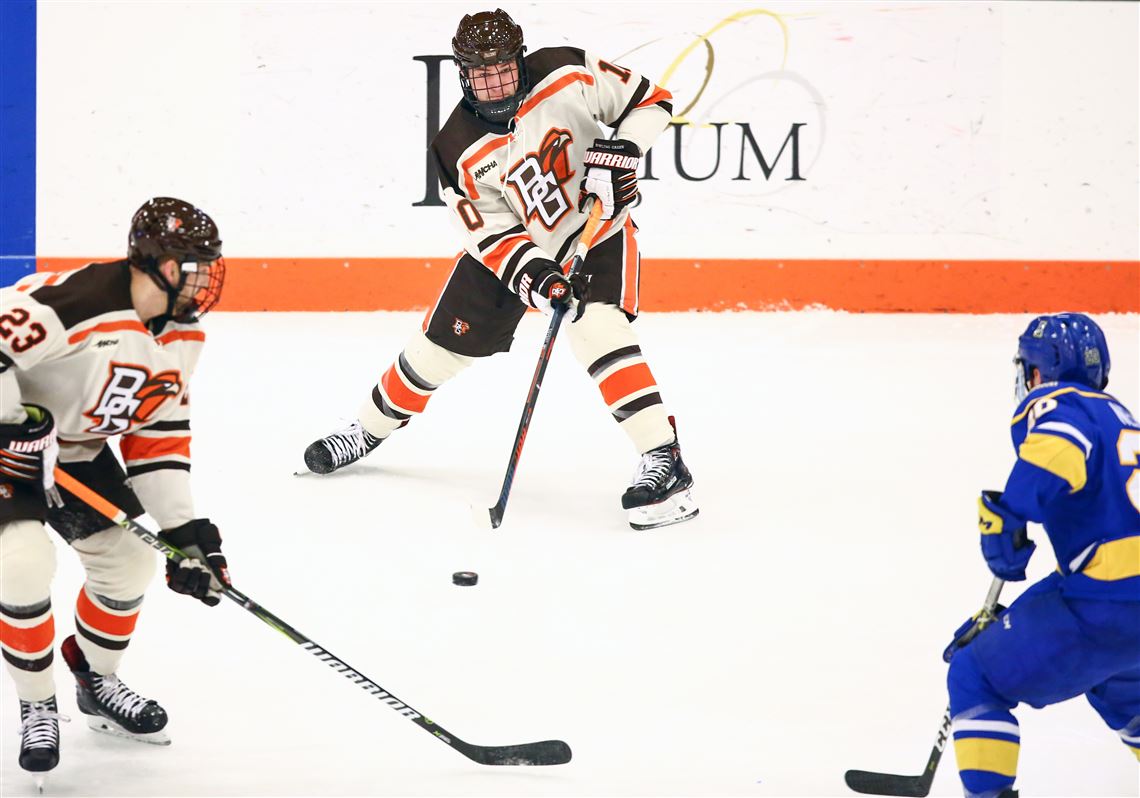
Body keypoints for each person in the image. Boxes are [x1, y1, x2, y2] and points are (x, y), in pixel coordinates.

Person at [304, 8, 697, 530]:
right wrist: (535, 273)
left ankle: (665, 460)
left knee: (597, 329)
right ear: (463, 73)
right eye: (480, 73)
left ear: (520, 59)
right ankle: (368, 429)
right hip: (515, 253)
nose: (495, 82)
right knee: (435, 351)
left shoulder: (566, 71)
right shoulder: (454, 147)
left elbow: (652, 102)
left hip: (594, 231)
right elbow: (489, 232)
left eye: (503, 68)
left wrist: (623, 151)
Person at [0, 197, 233, 781]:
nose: (205, 278)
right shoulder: (78, 304)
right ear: (153, 262)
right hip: (10, 448)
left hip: (75, 449)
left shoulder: (183, 337)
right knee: (21, 562)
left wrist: (184, 531)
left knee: (129, 560)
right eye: (193, 264)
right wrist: (8, 422)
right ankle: (36, 703)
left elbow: (156, 432)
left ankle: (94, 678)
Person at [942, 313, 1139, 797]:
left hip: (1106, 610)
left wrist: (1009, 513)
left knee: (976, 672)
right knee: (1122, 689)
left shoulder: (1057, 406)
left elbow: (1059, 452)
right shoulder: (1122, 417)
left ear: (1036, 370)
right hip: (1121, 603)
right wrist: (1021, 614)